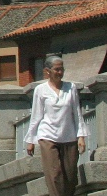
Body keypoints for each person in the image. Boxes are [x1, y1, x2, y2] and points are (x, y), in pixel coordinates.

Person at [25, 54, 88, 196]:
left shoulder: (70, 88)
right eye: (57, 69)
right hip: (47, 136)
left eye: (62, 69)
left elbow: (77, 113)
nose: (60, 72)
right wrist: (30, 140)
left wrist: (81, 136)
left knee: (70, 177)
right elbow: (36, 116)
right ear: (47, 71)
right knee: (54, 174)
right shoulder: (40, 90)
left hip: (69, 137)